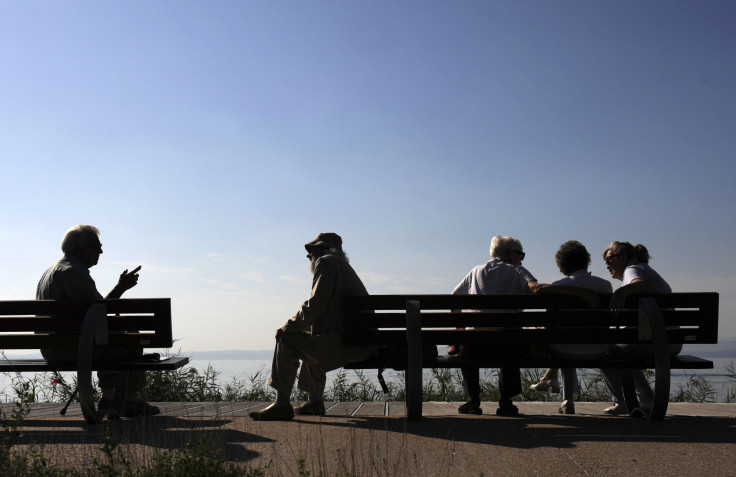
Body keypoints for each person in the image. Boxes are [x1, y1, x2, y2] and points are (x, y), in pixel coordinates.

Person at [451, 235, 599, 417]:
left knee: (470, 340)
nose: (521, 259)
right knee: (513, 338)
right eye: (521, 254)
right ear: (511, 253)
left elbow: (454, 299)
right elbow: (537, 289)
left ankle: (473, 400)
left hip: (474, 348)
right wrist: (579, 292)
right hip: (508, 347)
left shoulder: (475, 271)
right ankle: (506, 402)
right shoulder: (517, 272)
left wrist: (460, 331)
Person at [37, 224, 159, 417]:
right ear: (76, 247)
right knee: (131, 341)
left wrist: (120, 287)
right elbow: (101, 312)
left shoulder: (50, 272)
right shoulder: (73, 273)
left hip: (54, 348)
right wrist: (121, 289)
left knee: (105, 338)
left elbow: (96, 310)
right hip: (72, 349)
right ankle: (131, 401)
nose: (101, 251)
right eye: (95, 246)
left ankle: (110, 398)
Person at [250, 233, 374, 421]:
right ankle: (314, 402)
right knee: (312, 338)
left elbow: (315, 305)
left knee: (287, 338)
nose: (309, 257)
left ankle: (282, 404)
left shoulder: (326, 262)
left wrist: (286, 326)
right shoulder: (343, 267)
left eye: (311, 252)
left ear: (322, 250)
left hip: (345, 346)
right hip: (362, 344)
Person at [528, 241, 613, 414]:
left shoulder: (558, 286)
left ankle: (568, 400)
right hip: (600, 348)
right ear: (586, 261)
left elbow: (551, 323)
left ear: (562, 265)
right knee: (569, 336)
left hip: (565, 349)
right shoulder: (605, 285)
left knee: (564, 338)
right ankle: (621, 400)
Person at [600, 241, 679, 416]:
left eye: (609, 259)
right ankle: (645, 396)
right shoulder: (644, 269)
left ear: (623, 257)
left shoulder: (632, 269)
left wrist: (620, 292)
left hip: (652, 343)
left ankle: (624, 400)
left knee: (602, 350)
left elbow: (639, 283)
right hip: (670, 342)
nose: (606, 264)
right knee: (620, 349)